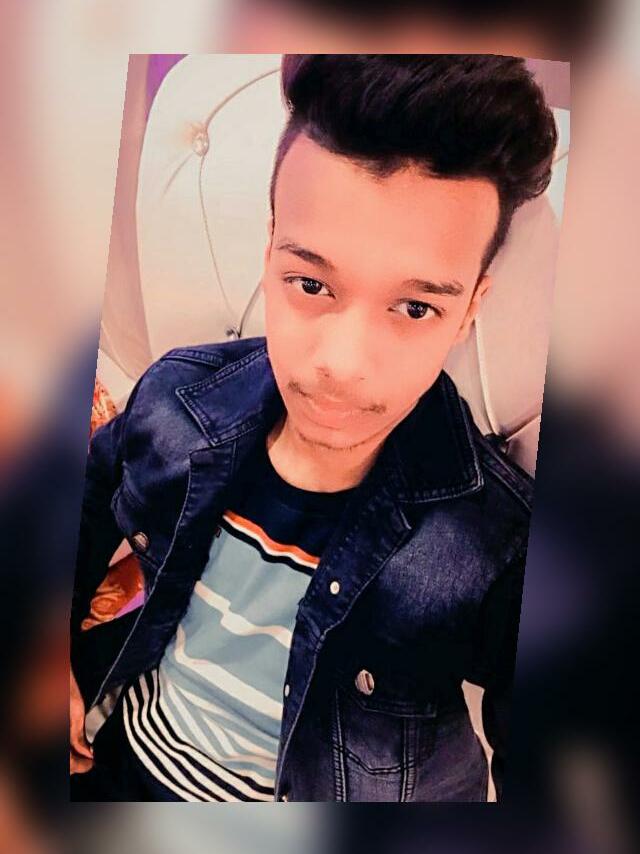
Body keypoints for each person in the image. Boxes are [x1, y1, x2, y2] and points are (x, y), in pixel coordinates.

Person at [70, 54, 557, 802]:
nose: (343, 366)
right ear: (269, 250)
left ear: (470, 307)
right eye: (311, 283)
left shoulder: (501, 544)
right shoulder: (175, 400)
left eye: (416, 307)